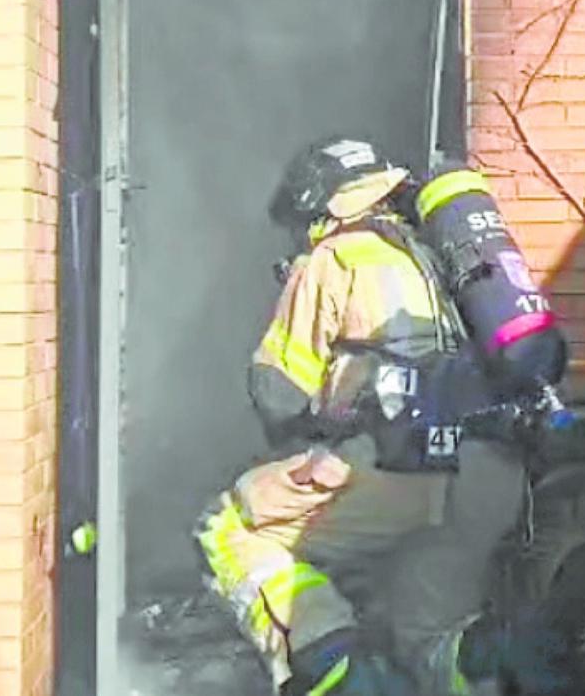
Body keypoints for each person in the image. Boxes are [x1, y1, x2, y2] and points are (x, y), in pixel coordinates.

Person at [194, 137, 532, 696]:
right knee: (425, 627)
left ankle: (343, 675)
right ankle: (481, 670)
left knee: (228, 527)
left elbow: (277, 391)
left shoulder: (335, 257)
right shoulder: (444, 253)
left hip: (394, 469)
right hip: (486, 475)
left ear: (317, 204)